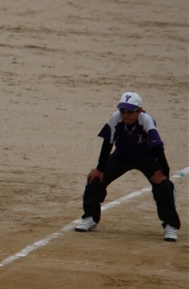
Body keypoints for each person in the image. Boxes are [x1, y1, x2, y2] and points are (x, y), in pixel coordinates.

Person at [76, 91, 180, 242]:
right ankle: (90, 218)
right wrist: (100, 168)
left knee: (165, 186)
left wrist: (164, 172)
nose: (125, 115)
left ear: (139, 110)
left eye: (130, 111)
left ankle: (170, 225)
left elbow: (158, 148)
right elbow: (107, 143)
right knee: (95, 179)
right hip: (122, 156)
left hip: (148, 159)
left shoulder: (146, 121)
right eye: (122, 111)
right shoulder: (116, 118)